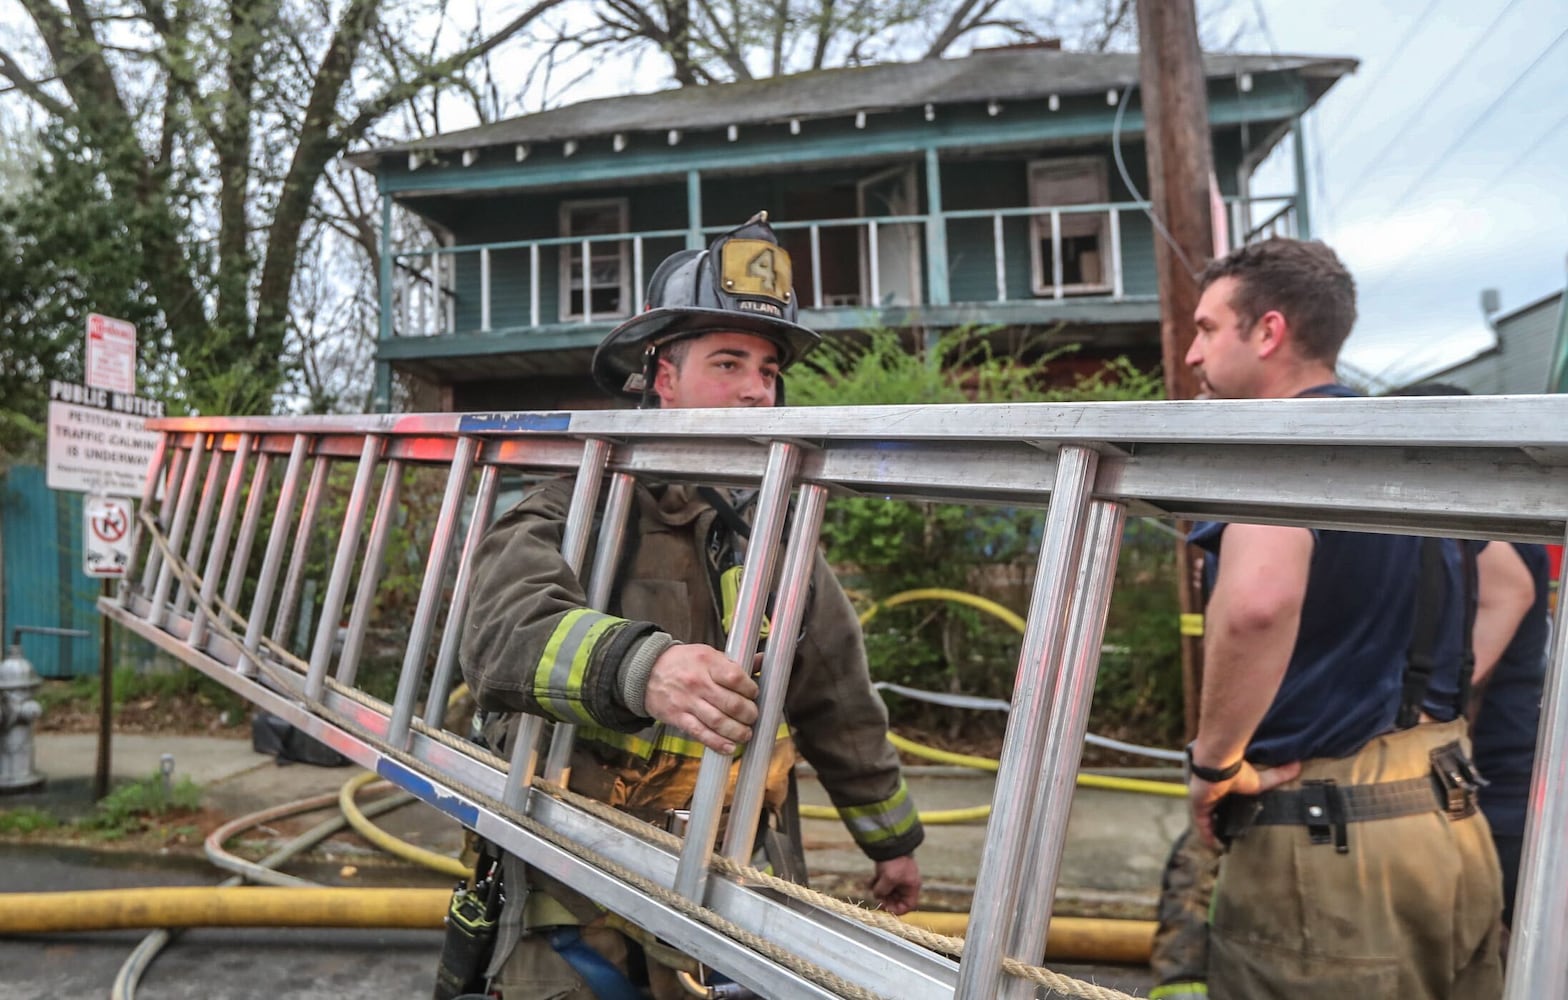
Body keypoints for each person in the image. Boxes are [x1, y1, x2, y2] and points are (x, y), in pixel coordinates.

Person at [456, 212, 924, 1000]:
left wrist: (892, 843)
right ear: (663, 379)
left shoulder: (776, 530)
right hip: (579, 908)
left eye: (768, 371)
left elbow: (837, 700)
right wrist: (644, 668)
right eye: (728, 362)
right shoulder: (583, 503)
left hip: (737, 900)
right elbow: (499, 628)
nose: (755, 390)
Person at [1178, 237, 1504, 1000]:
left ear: (1269, 332)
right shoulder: (1408, 454)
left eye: (1205, 328)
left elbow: (1258, 604)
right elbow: (1495, 584)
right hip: (1451, 824)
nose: (1192, 355)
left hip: (1331, 849)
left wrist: (1214, 764)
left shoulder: (1280, 446)